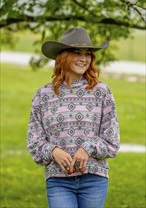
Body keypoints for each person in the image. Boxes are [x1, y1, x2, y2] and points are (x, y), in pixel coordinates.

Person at [27, 27, 120, 208]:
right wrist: (53, 151)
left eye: (87, 54)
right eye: (77, 53)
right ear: (64, 56)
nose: (83, 58)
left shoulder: (102, 92)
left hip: (94, 179)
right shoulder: (42, 95)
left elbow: (112, 140)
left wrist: (87, 148)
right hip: (58, 181)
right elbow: (34, 141)